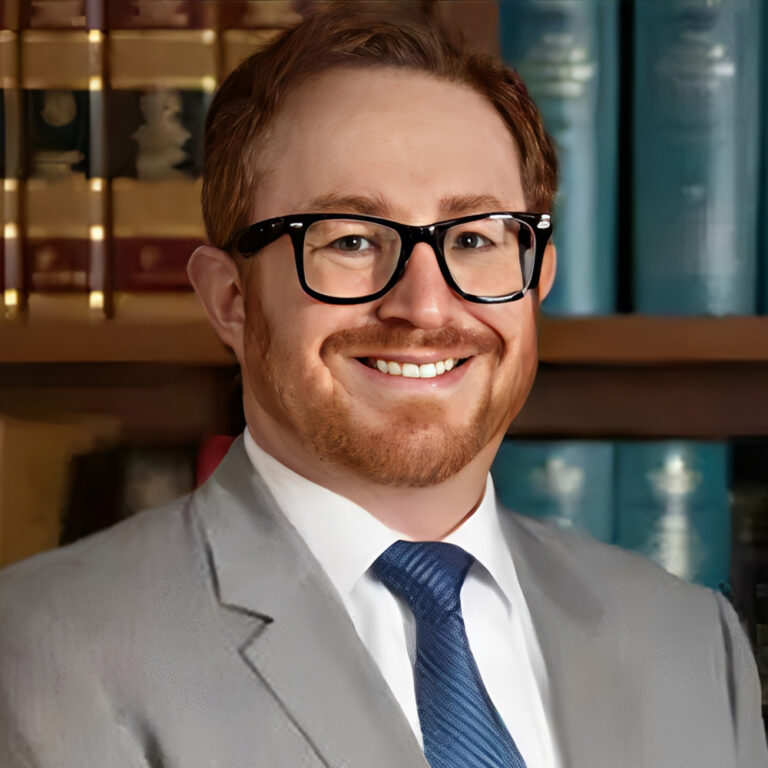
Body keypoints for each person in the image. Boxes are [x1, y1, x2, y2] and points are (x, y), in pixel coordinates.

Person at [1, 5, 766, 768]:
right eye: (352, 240)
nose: (425, 306)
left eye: (474, 238)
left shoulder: (689, 643)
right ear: (231, 300)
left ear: (537, 284)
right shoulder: (44, 654)